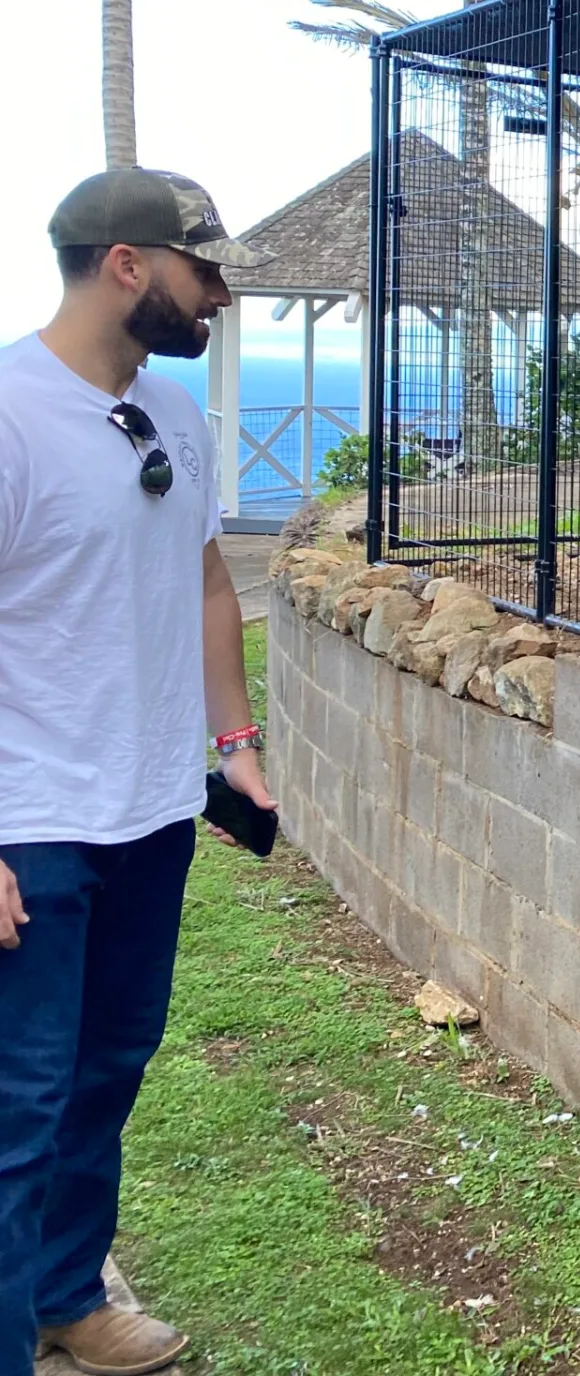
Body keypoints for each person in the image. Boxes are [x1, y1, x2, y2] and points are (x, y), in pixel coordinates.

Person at [0, 170, 278, 1376]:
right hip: (30, 821)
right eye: (201, 271)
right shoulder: (8, 413)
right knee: (19, 1106)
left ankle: (67, 1296)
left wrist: (235, 745)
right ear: (127, 264)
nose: (219, 295)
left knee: (110, 1067)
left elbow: (210, 582)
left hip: (153, 809)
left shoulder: (175, 410)